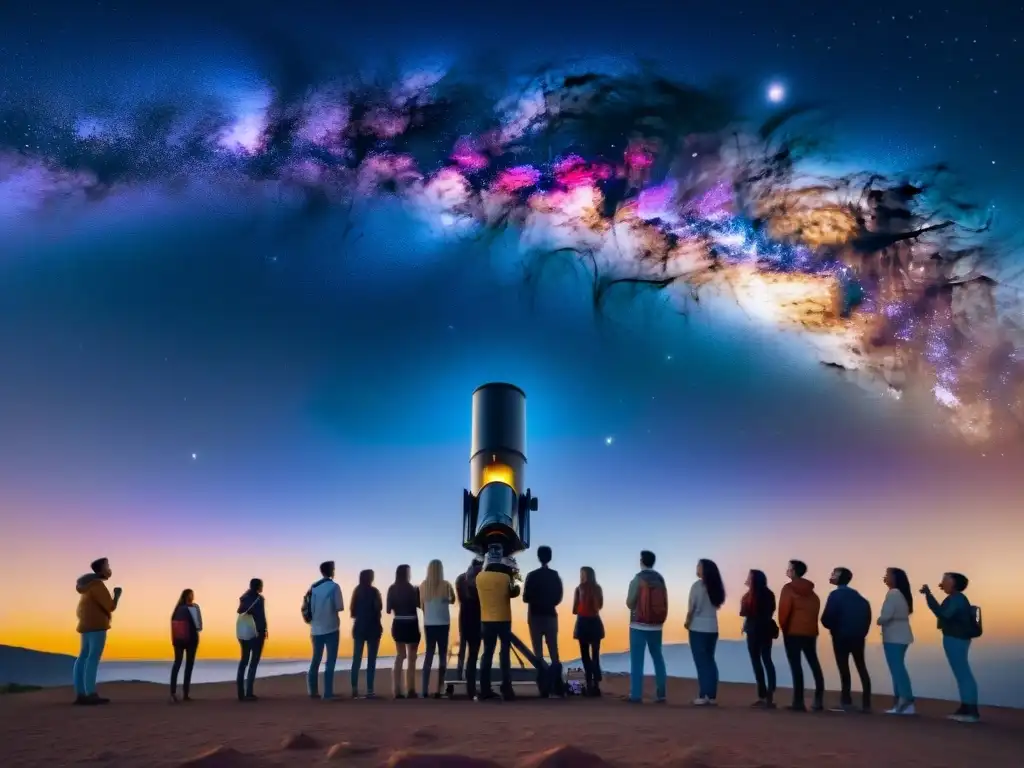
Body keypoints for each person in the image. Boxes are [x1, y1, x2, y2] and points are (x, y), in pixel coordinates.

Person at [922, 572, 981, 722]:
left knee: (963, 673)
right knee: (962, 673)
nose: (941, 582)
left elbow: (944, 614)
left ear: (953, 583)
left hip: (956, 638)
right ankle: (966, 706)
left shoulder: (957, 599)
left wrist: (929, 595)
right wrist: (929, 595)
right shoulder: (955, 598)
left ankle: (970, 710)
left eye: (945, 580)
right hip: (956, 638)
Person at [821, 567, 873, 713]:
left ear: (840, 577)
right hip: (858, 637)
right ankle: (866, 703)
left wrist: (833, 628)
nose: (831, 576)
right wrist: (862, 632)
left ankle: (846, 701)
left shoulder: (835, 595)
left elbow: (826, 618)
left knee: (844, 669)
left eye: (834, 574)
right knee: (861, 667)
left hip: (841, 637)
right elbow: (867, 616)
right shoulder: (860, 598)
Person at [73, 558, 122, 705]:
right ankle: (91, 693)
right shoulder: (98, 586)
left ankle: (81, 693)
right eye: (107, 566)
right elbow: (110, 606)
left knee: (83, 657)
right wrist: (117, 595)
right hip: (97, 625)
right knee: (93, 658)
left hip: (85, 625)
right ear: (101, 569)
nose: (109, 569)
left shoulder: (86, 587)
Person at [778, 560, 825, 712]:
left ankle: (798, 702)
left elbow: (784, 611)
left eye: (789, 568)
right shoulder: (813, 594)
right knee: (814, 664)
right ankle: (818, 699)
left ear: (794, 571)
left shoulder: (788, 589)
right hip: (810, 632)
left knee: (796, 666)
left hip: (792, 632)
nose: (787, 570)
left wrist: (784, 629)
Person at [475, 549, 520, 700]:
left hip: (486, 620)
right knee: (504, 653)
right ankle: (506, 688)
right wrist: (514, 572)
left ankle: (485, 689)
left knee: (487, 653)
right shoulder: (505, 577)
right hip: (504, 619)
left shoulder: (479, 577)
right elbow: (515, 591)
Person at [625, 550, 668, 703]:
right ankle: (662, 693)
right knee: (658, 657)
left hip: (638, 625)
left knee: (637, 660)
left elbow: (630, 603)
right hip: (656, 626)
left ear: (642, 561)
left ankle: (636, 695)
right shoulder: (660, 579)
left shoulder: (638, 579)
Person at [687, 558, 725, 706]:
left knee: (701, 662)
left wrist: (687, 622)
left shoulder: (697, 586)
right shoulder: (715, 587)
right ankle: (712, 694)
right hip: (713, 628)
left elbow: (692, 608)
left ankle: (704, 695)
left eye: (699, 566)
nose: (696, 568)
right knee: (710, 661)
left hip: (698, 628)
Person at [878, 567, 915, 715]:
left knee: (897, 669)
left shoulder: (893, 593)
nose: (885, 578)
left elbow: (886, 616)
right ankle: (903, 702)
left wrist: (879, 620)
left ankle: (905, 701)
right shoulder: (902, 594)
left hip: (894, 636)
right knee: (898, 668)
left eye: (887, 575)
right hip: (901, 635)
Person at [522, 545, 564, 676]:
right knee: (553, 649)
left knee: (538, 652)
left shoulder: (532, 576)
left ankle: (543, 682)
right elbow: (559, 596)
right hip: (550, 615)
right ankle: (556, 681)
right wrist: (549, 603)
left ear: (538, 557)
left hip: (535, 616)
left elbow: (525, 597)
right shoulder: (554, 575)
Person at [306, 561, 344, 700]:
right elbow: (339, 606)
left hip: (316, 628)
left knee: (316, 659)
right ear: (331, 571)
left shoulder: (314, 587)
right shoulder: (334, 587)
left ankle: (313, 690)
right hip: (331, 627)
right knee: (330, 661)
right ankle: (327, 693)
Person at [740, 569, 778, 708]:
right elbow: (771, 610)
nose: (747, 579)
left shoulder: (748, 596)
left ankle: (762, 695)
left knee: (756, 662)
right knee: (767, 660)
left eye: (749, 577)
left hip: (753, 631)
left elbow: (743, 612)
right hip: (766, 630)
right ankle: (770, 692)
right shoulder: (769, 594)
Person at [420, 559, 456, 698]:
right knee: (442, 656)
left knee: (428, 656)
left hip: (429, 623)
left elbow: (422, 605)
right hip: (443, 623)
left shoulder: (423, 586)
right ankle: (440, 689)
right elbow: (453, 599)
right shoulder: (446, 585)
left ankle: (424, 690)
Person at [386, 564, 421, 699]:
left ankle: (397, 690)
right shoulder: (413, 589)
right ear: (406, 574)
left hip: (399, 623)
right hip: (411, 624)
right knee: (412, 658)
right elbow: (419, 605)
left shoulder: (392, 589)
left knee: (400, 656)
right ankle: (411, 689)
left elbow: (388, 610)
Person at [350, 569, 383, 698]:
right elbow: (378, 608)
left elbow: (352, 612)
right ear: (370, 578)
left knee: (356, 659)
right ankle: (370, 690)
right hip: (373, 628)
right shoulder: (374, 592)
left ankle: (354, 689)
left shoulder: (357, 591)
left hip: (359, 627)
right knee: (371, 660)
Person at [572, 566, 604, 697]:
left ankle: (589, 684)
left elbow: (574, 609)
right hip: (595, 622)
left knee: (585, 655)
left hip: (583, 623)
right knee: (595, 655)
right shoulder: (598, 588)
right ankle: (596, 684)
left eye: (582, 574)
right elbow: (600, 606)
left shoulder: (579, 588)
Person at [455, 557, 484, 699]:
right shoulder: (481, 580)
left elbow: (460, 599)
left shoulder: (461, 579)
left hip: (464, 617)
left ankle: (459, 674)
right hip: (477, 619)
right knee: (473, 655)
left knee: (462, 648)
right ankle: (471, 688)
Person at [236, 578, 267, 702]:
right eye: (261, 585)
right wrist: (263, 631)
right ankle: (249, 692)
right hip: (256, 634)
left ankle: (240, 693)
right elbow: (261, 617)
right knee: (253, 662)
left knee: (243, 661)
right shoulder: (259, 599)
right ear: (258, 587)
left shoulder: (243, 598)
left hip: (243, 633)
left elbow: (240, 612)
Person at [170, 588, 202, 702]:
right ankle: (185, 694)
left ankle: (172, 692)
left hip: (178, 639)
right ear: (189, 596)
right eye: (192, 594)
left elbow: (173, 624)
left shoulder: (177, 609)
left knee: (177, 664)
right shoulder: (194, 607)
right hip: (191, 639)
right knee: (189, 666)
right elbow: (199, 626)